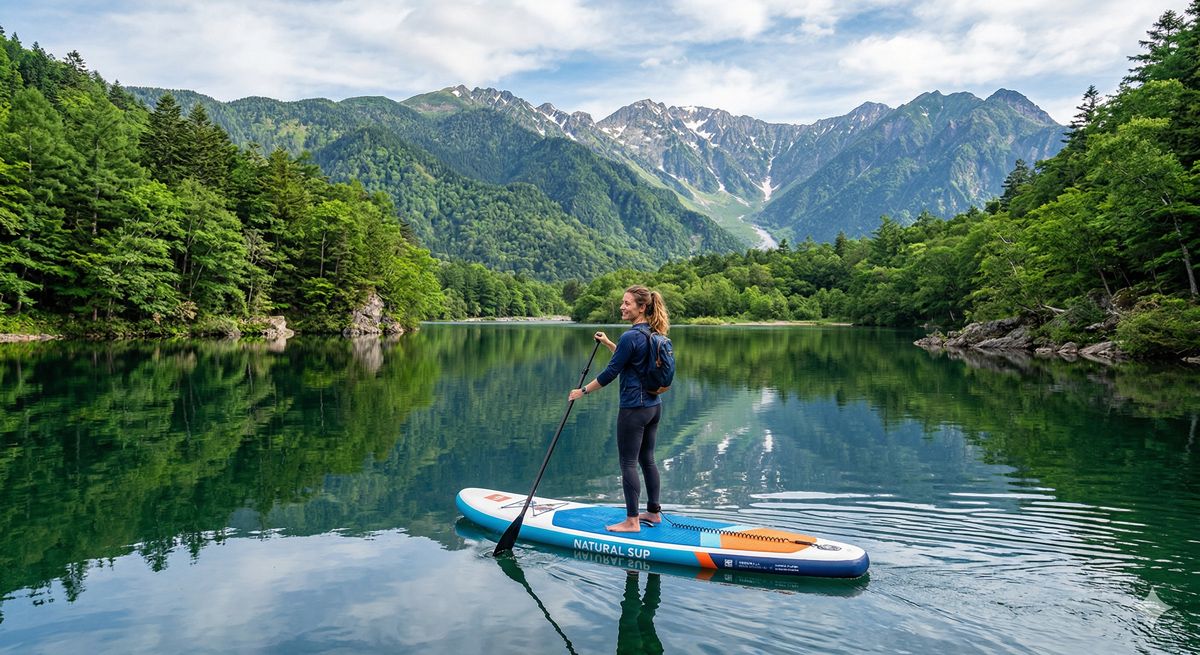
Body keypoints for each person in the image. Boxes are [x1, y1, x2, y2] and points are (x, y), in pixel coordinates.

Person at [569, 284, 670, 532]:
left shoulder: (631, 336)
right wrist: (608, 343)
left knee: (628, 463)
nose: (622, 307)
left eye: (627, 303)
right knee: (648, 459)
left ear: (641, 307)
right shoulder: (652, 333)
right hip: (653, 407)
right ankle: (654, 513)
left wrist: (582, 391)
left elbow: (611, 372)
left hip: (633, 409)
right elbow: (630, 360)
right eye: (622, 302)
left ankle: (632, 520)